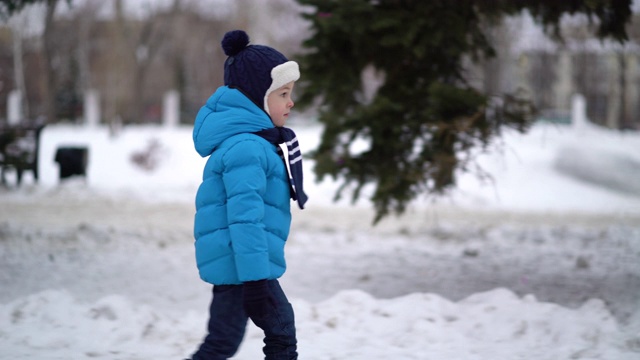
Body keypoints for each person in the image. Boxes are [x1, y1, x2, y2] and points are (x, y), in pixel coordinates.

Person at [188, 29, 307, 360]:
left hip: (239, 263)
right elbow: (244, 219)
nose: (290, 101)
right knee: (281, 333)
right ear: (257, 97)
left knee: (222, 343)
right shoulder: (248, 148)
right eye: (282, 93)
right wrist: (256, 281)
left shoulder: (255, 143)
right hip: (246, 267)